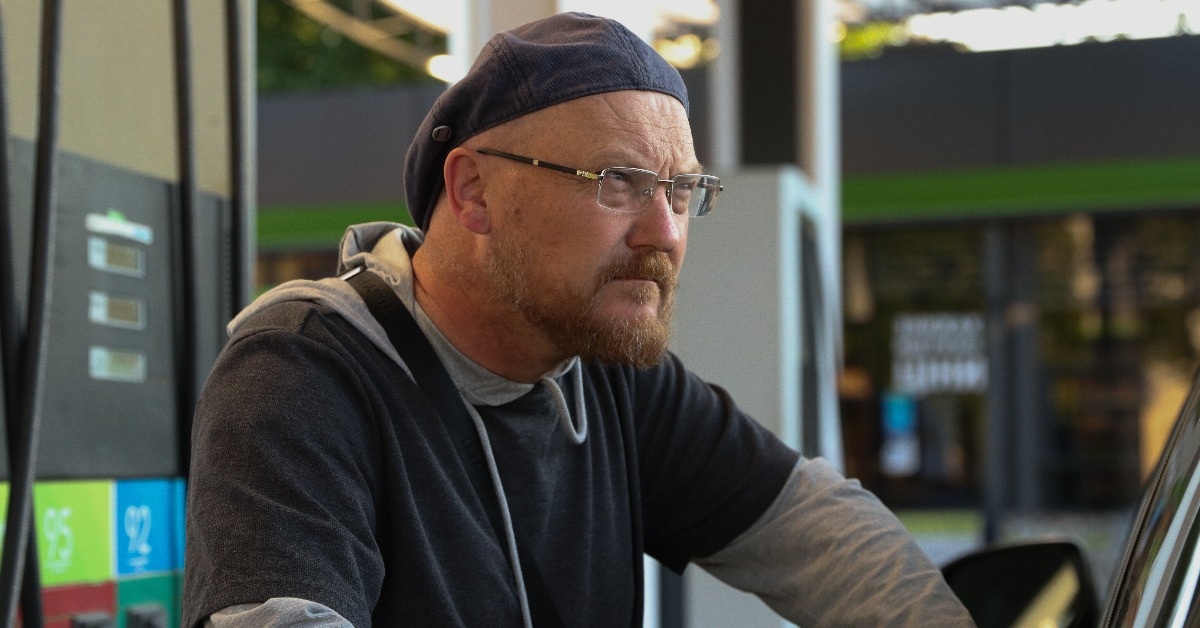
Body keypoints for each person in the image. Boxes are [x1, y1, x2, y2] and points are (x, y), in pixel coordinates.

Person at [182, 11, 974, 628]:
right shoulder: (305, 373)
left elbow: (816, 528)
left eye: (681, 191)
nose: (664, 232)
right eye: (619, 181)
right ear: (474, 194)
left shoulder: (608, 375)